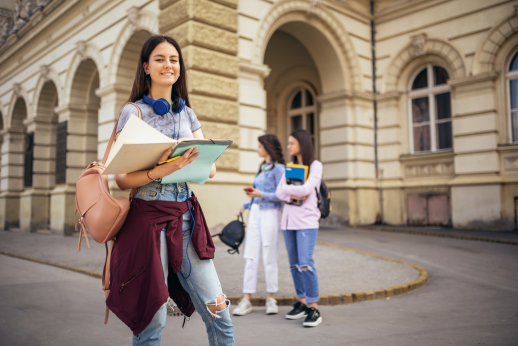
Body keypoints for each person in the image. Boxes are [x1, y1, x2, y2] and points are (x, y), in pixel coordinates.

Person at [106, 35, 234, 346]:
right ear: (146, 67)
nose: (168, 64)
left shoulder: (187, 112)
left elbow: (211, 167)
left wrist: (189, 160)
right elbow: (121, 178)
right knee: (153, 322)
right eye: (160, 59)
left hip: (186, 217)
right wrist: (162, 170)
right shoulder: (133, 112)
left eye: (174, 59)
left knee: (221, 316)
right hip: (147, 221)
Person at [232, 135, 285, 316]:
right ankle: (246, 299)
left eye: (260, 146)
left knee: (269, 255)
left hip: (271, 213)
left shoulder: (279, 169)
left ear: (268, 148)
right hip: (255, 212)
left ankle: (271, 298)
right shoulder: (261, 168)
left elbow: (281, 195)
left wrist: (260, 193)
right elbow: (258, 195)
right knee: (250, 256)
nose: (257, 149)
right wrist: (245, 205)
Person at [275, 129, 323, 328]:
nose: (288, 146)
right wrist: (293, 194)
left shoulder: (315, 166)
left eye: (291, 143)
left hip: (306, 223)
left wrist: (291, 191)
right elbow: (279, 193)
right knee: (294, 265)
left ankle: (314, 307)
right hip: (288, 223)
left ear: (302, 144)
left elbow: (306, 190)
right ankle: (302, 302)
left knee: (306, 264)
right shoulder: (291, 167)